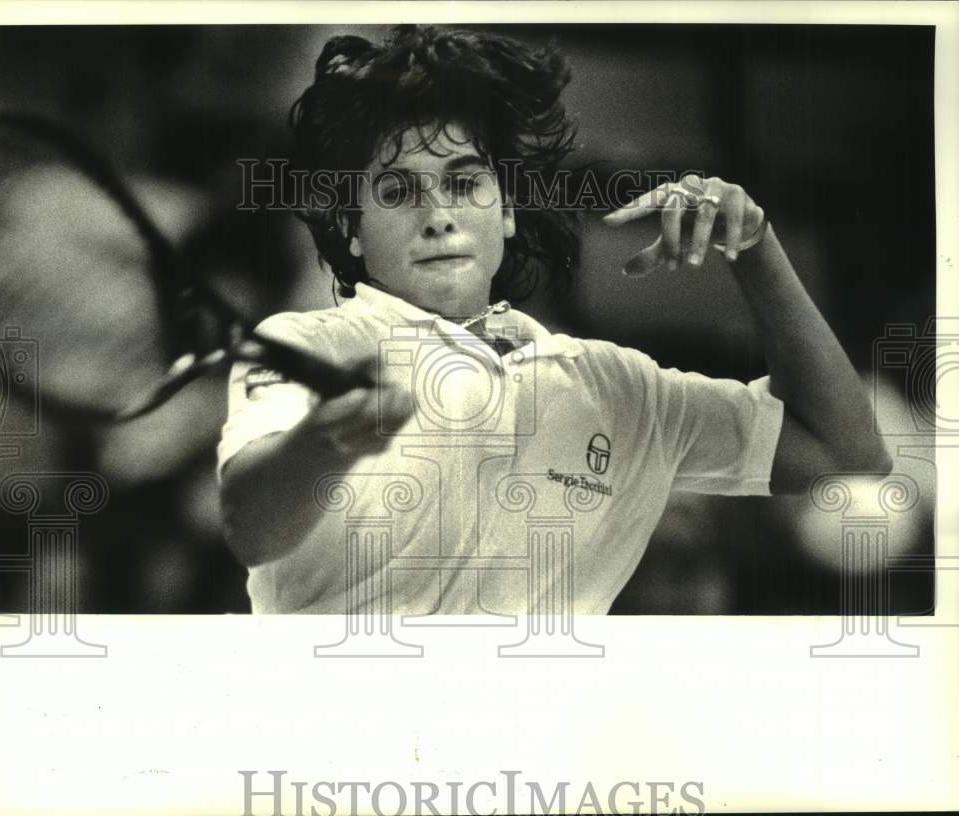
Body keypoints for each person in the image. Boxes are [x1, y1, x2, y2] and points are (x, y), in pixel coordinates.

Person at [217, 25, 891, 615]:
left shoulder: (620, 390)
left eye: (463, 181)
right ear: (352, 228)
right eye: (397, 191)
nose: (439, 213)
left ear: (506, 209)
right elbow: (251, 527)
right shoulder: (305, 344)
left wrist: (756, 250)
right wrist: (323, 443)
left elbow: (848, 455)